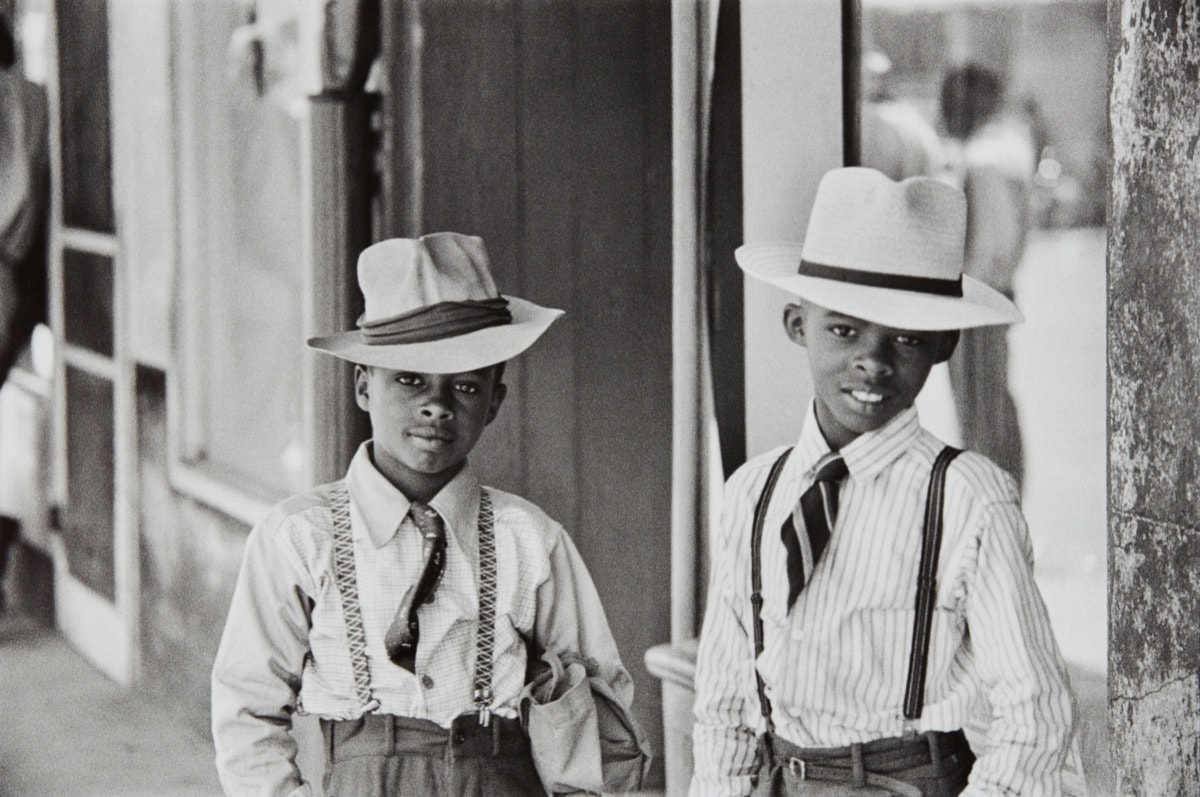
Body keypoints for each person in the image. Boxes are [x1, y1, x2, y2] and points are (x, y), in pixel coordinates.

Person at [690, 167, 1080, 796]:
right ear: (797, 325)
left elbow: (1034, 716)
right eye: (843, 330)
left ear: (943, 345)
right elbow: (725, 709)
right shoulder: (754, 494)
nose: (872, 360)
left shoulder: (967, 499)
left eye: (905, 338)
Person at [211, 233, 636, 796]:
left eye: (464, 385)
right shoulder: (300, 537)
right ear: (364, 386)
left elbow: (598, 706)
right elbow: (247, 710)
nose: (436, 405)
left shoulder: (529, 540)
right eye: (408, 379)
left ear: (494, 403)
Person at [938, 63, 1037, 489]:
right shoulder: (1003, 148)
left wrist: (965, 286)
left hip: (976, 296)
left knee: (978, 403)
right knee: (992, 397)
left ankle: (992, 490)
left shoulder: (982, 158)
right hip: (990, 292)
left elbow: (992, 239)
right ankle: (1003, 487)